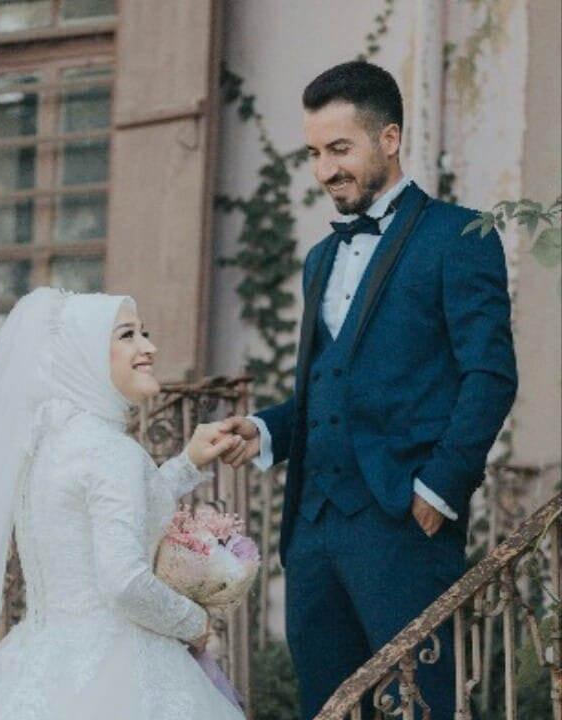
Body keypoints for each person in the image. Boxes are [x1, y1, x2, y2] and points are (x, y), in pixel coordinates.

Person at [220, 60, 517, 719]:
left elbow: (490, 375)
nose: (325, 170)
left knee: (422, 708)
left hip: (404, 524)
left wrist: (439, 488)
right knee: (327, 709)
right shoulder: (319, 260)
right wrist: (265, 429)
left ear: (389, 138)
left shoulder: (457, 237)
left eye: (339, 149)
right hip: (313, 532)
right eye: (314, 154)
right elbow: (331, 388)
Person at [0, 288, 247, 720]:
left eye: (144, 333)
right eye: (127, 335)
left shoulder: (46, 448)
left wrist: (187, 463)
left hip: (41, 658)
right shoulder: (111, 451)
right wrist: (193, 622)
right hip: (119, 668)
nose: (149, 347)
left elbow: (108, 509)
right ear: (84, 355)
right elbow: (124, 582)